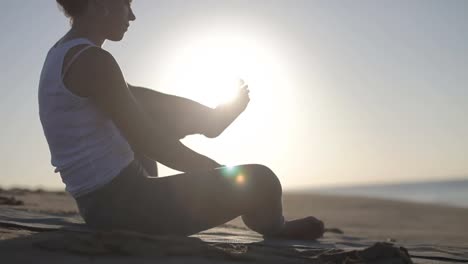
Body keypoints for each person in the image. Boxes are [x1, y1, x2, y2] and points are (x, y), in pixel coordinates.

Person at [38, 0, 325, 239]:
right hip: (121, 209)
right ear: (103, 5)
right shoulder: (94, 62)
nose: (133, 16)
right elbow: (149, 140)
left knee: (142, 102)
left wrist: (205, 123)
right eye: (127, 4)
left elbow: (138, 104)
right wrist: (216, 172)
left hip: (102, 202)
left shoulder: (64, 53)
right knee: (263, 181)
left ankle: (211, 121)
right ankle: (277, 227)